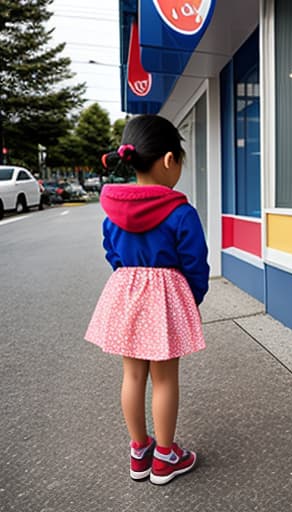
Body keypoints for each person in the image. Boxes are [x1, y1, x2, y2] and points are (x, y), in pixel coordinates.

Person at [85, 114, 210, 484]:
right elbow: (195, 263)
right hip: (166, 300)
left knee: (132, 374)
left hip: (126, 295)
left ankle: (139, 451)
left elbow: (113, 254)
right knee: (166, 379)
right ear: (169, 160)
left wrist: (130, 282)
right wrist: (191, 299)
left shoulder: (112, 213)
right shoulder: (181, 212)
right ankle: (166, 457)